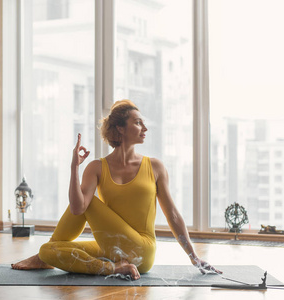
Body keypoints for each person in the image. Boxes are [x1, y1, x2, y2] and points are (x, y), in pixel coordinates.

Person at [11, 99, 222, 279]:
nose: (145, 129)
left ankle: (53, 260)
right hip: (112, 249)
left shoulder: (155, 167)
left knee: (89, 202)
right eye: (138, 123)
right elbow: (76, 209)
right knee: (48, 251)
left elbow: (173, 214)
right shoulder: (96, 167)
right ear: (120, 128)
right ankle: (110, 268)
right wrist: (75, 166)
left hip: (142, 250)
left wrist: (194, 256)